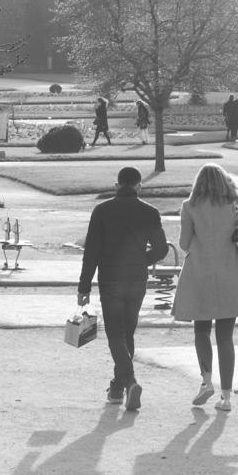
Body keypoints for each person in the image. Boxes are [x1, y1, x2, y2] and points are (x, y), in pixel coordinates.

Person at [174, 165, 238, 411]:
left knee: (201, 330)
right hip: (231, 273)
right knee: (225, 336)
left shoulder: (189, 206)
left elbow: (184, 244)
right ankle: (226, 396)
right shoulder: (234, 204)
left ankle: (206, 380)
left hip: (199, 274)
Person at [75, 166, 169, 412]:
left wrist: (84, 285)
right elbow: (161, 249)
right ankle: (118, 387)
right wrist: (141, 260)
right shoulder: (150, 212)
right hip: (137, 279)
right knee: (128, 333)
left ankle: (128, 381)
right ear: (139, 186)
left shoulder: (102, 211)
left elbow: (92, 252)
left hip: (111, 278)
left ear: (117, 185)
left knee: (116, 334)